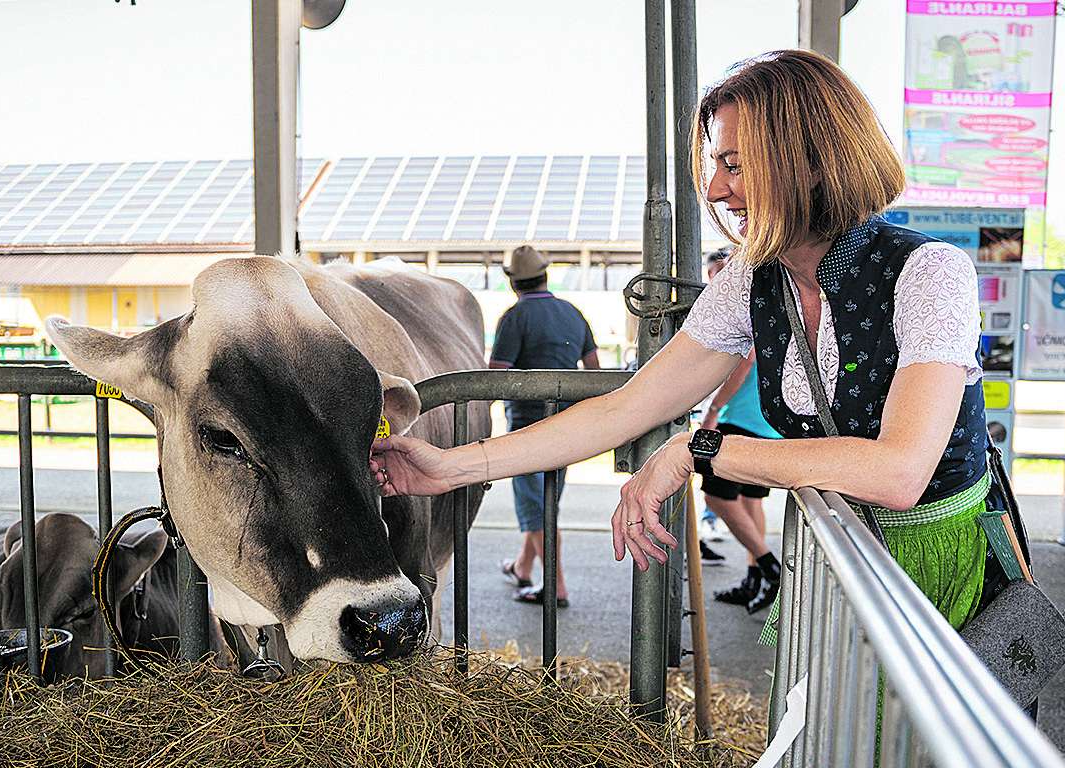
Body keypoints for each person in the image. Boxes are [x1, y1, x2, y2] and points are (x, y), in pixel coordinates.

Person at [374, 51, 991, 666]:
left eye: (735, 164)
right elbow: (623, 408)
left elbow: (900, 473)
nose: (718, 189)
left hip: (937, 577)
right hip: (839, 573)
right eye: (716, 164)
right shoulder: (753, 278)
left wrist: (698, 449)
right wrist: (449, 469)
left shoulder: (929, 272)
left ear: (809, 162)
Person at [490, 245, 601, 608]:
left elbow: (496, 374)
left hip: (526, 428)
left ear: (513, 282)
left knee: (536, 509)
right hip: (567, 425)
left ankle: (557, 588)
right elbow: (594, 370)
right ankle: (523, 568)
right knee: (545, 502)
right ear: (545, 274)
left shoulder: (515, 316)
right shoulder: (573, 312)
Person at [696, 247, 783, 614]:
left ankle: (768, 566)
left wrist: (713, 409)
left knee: (717, 496)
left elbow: (745, 360)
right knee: (750, 499)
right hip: (765, 418)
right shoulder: (769, 298)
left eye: (722, 271)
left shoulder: (748, 302)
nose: (718, 281)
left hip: (743, 417)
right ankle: (755, 576)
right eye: (713, 275)